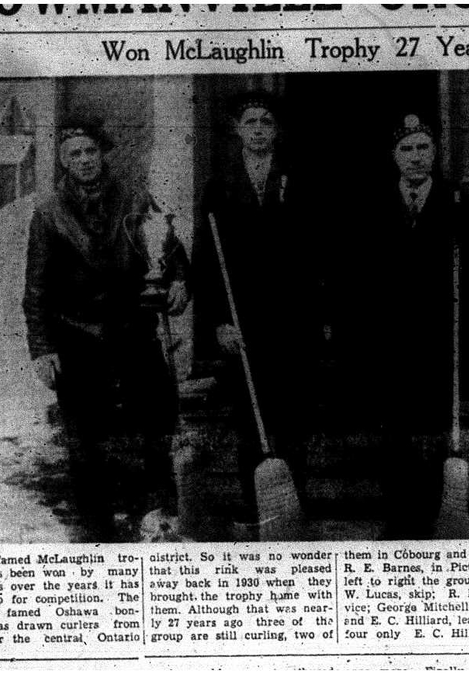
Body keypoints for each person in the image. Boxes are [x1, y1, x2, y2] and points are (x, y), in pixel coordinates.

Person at [23, 116, 190, 542]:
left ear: (102, 154)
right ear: (64, 162)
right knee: (85, 440)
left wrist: (179, 282)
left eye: (90, 151)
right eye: (74, 154)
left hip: (133, 330)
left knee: (155, 423)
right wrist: (41, 349)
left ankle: (155, 518)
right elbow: (36, 290)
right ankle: (95, 532)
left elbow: (172, 252)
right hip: (77, 337)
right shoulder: (49, 215)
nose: (84, 160)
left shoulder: (135, 198)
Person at [343, 114, 469, 540]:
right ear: (393, 155)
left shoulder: (457, 202)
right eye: (406, 148)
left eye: (423, 147)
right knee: (394, 429)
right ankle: (399, 516)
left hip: (439, 337)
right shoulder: (372, 204)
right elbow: (357, 275)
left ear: (435, 152)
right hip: (390, 338)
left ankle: (434, 513)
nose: (416, 156)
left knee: (434, 428)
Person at [192, 92, 318, 524]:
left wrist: (319, 315)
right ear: (237, 129)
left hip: (292, 319)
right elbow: (206, 261)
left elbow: (318, 251)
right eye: (251, 121)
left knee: (293, 419)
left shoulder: (300, 179)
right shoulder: (220, 186)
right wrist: (218, 324)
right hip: (242, 320)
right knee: (250, 418)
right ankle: (258, 509)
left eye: (266, 121)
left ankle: (293, 510)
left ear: (276, 129)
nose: (259, 129)